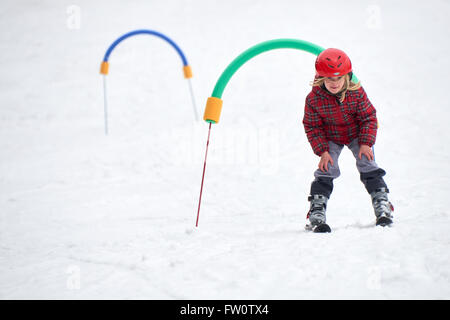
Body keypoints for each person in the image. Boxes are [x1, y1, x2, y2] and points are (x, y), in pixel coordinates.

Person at [302, 48, 393, 232]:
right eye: (329, 79)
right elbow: (312, 126)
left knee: (366, 162)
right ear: (321, 78)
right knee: (327, 167)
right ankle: (317, 211)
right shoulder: (314, 100)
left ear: (347, 76)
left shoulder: (356, 93)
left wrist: (366, 142)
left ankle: (382, 203)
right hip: (331, 137)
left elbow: (368, 117)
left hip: (356, 134)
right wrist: (323, 151)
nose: (334, 83)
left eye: (338, 78)